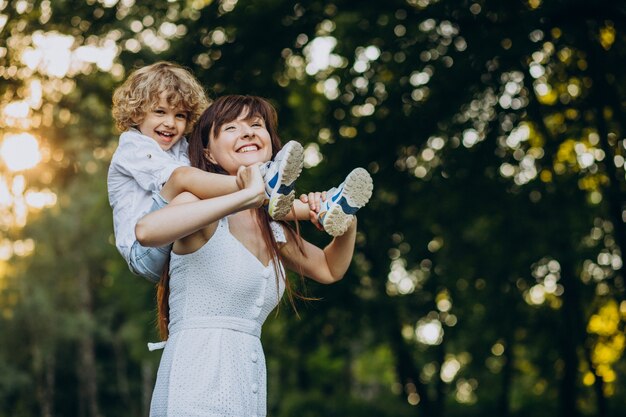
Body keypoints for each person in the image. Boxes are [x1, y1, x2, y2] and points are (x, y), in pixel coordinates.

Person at [134, 95, 373, 417]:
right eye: (231, 127)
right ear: (208, 152)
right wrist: (246, 194)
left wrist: (347, 221)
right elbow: (147, 231)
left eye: (256, 125)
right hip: (195, 381)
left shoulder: (271, 226)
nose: (247, 133)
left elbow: (329, 269)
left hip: (246, 383)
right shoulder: (198, 204)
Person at [108, 61, 311, 284]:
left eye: (180, 116)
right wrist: (246, 186)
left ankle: (316, 208)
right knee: (184, 180)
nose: (170, 123)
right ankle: (261, 180)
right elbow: (180, 180)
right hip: (144, 251)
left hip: (181, 236)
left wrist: (312, 211)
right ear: (137, 114)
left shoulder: (180, 147)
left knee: (239, 200)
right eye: (160, 112)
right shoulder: (132, 147)